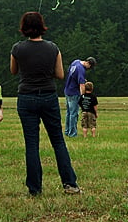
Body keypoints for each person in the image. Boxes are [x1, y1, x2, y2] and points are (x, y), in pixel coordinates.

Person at [10, 11, 82, 196]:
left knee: (31, 144)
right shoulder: (53, 48)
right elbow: (60, 75)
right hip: (48, 96)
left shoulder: (17, 48)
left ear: (24, 27)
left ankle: (35, 189)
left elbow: (13, 71)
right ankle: (70, 184)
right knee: (58, 140)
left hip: (26, 97)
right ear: (42, 26)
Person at [63, 56, 97, 137]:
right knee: (74, 114)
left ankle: (67, 131)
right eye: (90, 67)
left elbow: (70, 74)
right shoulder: (81, 69)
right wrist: (83, 96)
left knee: (69, 113)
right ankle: (72, 134)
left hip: (67, 90)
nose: (88, 69)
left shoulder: (75, 62)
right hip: (74, 92)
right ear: (88, 63)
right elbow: (82, 85)